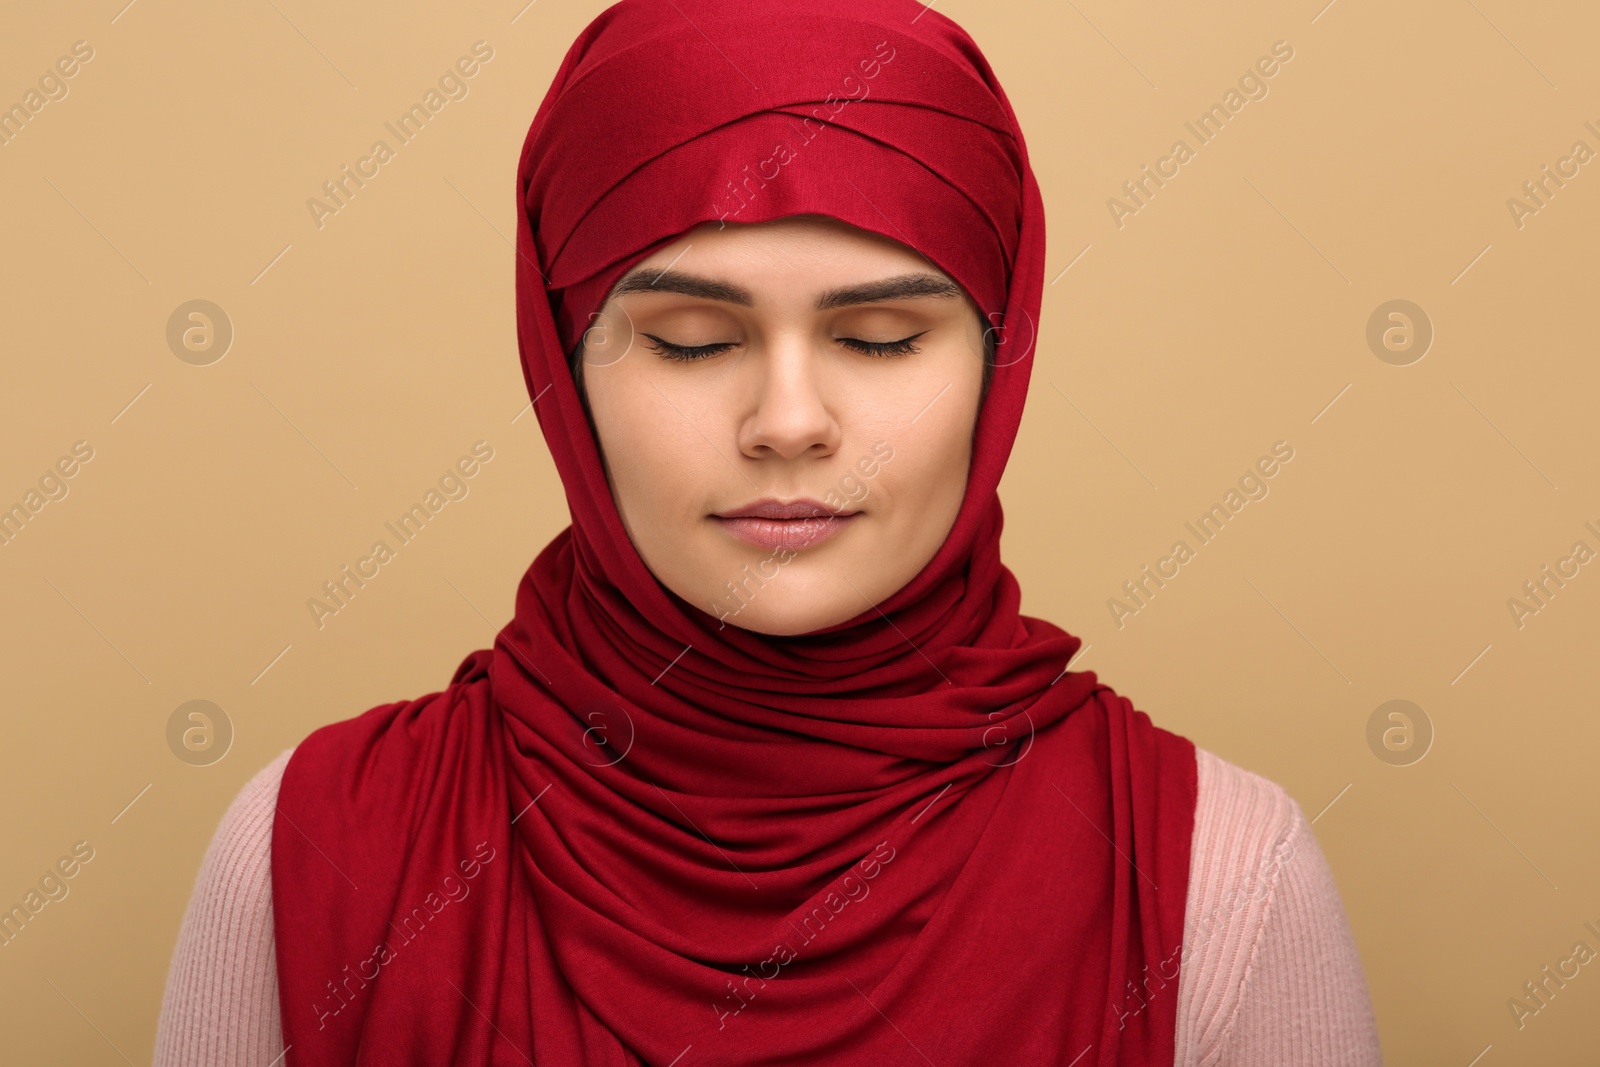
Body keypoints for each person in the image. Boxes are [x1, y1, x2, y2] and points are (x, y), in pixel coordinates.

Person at [153, 0, 1383, 1063]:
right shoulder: (319, 851)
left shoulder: (1216, 878)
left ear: (997, 361)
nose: (788, 422)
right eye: (693, 340)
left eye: (880, 338)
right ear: (563, 367)